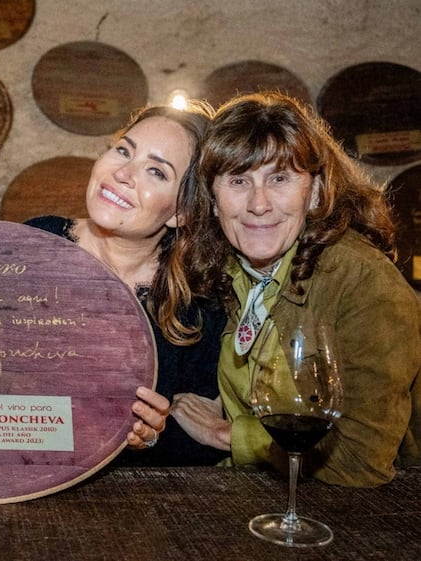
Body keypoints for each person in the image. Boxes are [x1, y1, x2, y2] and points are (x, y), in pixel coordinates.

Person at [170, 91, 421, 486]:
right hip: (247, 498)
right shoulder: (232, 271)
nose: (259, 203)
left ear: (316, 191)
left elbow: (360, 458)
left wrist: (228, 435)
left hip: (353, 519)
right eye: (238, 180)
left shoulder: (360, 279)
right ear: (213, 201)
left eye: (280, 178)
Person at [24, 101, 229, 466]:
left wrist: (153, 437)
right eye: (123, 151)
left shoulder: (196, 304)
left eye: (156, 172)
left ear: (181, 212)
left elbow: (203, 438)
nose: (123, 173)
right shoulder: (33, 244)